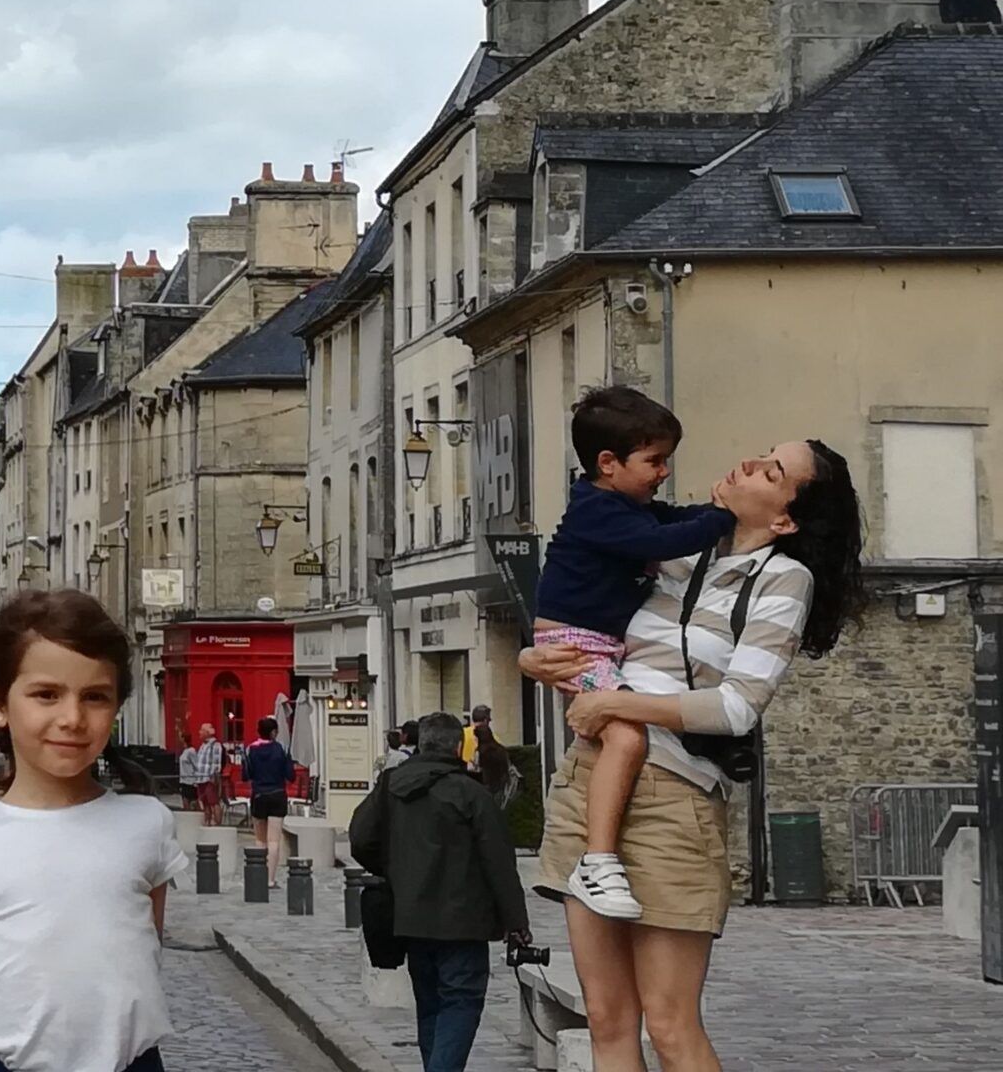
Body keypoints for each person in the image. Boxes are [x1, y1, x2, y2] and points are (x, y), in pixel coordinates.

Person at [522, 439, 861, 1072]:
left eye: (772, 470)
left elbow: (736, 707)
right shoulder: (671, 551)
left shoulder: (784, 579)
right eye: (758, 452)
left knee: (672, 1026)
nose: (749, 463)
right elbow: (585, 627)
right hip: (588, 782)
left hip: (675, 802)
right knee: (606, 1020)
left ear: (786, 517)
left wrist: (618, 707)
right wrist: (532, 657)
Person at [0, 590, 187, 1072]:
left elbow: (140, 958)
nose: (71, 718)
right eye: (46, 694)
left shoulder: (146, 825)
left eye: (95, 697)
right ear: (0, 704)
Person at [532, 387, 736, 922]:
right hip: (576, 646)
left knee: (616, 730)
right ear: (608, 462)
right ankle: (598, 861)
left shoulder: (625, 506)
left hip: (594, 643)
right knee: (625, 734)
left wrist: (717, 514)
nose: (664, 471)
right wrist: (722, 517)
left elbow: (674, 520)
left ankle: (599, 851)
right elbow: (669, 542)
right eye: (654, 461)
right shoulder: (599, 514)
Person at [349, 710, 530, 1072]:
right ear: (458, 747)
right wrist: (517, 923)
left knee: (430, 1003)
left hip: (412, 918)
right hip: (464, 921)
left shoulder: (392, 786)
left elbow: (360, 839)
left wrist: (396, 870)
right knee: (461, 1001)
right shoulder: (472, 794)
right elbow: (499, 863)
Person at [241, 716, 294, 887]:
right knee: (274, 841)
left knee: (260, 840)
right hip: (278, 794)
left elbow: (245, 775)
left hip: (258, 796)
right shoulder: (282, 749)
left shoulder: (251, 750)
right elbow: (290, 776)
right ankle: (270, 879)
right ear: (273, 732)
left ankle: (258, 875)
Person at [180, 723, 225, 824]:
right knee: (205, 803)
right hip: (200, 779)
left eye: (201, 730)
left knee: (213, 802)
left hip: (209, 779)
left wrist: (214, 777)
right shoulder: (202, 746)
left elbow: (216, 763)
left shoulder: (215, 745)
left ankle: (217, 824)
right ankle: (207, 823)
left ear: (207, 733)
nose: (199, 732)